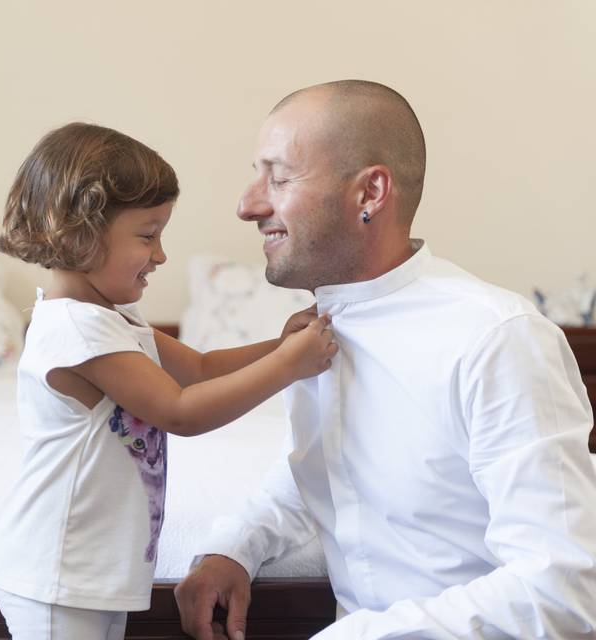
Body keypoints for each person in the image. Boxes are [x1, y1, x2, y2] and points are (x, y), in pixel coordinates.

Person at [174, 80, 596, 639]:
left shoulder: (497, 339)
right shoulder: (319, 329)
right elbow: (315, 469)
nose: (248, 204)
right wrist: (233, 549)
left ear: (370, 193)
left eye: (278, 177)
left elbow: (565, 587)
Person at [0, 122, 338, 639]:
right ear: (79, 231)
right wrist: (288, 366)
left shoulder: (110, 318)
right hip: (57, 571)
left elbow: (198, 369)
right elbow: (180, 410)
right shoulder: (75, 329)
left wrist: (279, 345)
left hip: (90, 571)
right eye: (148, 236)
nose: (160, 255)